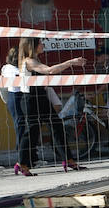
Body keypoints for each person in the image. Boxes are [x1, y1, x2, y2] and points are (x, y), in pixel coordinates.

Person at [14, 37, 84, 176]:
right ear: (32, 46)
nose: (43, 44)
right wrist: (71, 62)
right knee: (32, 132)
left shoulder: (34, 60)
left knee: (57, 127)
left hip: (41, 97)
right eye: (40, 43)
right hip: (31, 100)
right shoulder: (29, 61)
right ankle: (21, 163)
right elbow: (50, 70)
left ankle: (68, 159)